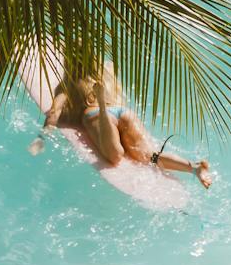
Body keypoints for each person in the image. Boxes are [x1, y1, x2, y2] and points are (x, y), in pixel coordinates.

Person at [28, 64, 213, 188]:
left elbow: (54, 113)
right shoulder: (107, 69)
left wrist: (41, 137)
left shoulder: (68, 84)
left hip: (97, 114)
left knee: (115, 156)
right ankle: (194, 167)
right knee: (151, 156)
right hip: (123, 111)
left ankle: (100, 104)